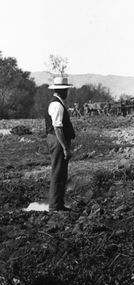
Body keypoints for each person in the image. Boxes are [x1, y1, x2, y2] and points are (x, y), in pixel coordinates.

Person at [45, 76, 76, 211]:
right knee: (58, 172)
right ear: (60, 90)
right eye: (65, 90)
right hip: (57, 141)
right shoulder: (57, 105)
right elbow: (58, 128)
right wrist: (65, 148)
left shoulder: (58, 103)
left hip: (57, 140)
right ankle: (55, 206)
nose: (67, 92)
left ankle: (59, 204)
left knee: (61, 172)